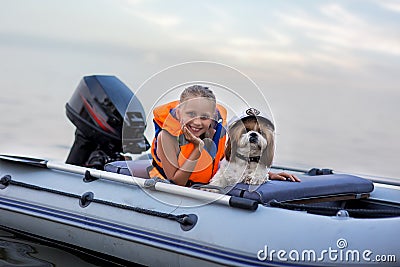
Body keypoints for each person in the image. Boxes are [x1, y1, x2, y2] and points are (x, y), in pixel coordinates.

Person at [148, 85, 298, 187]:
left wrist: (267, 174)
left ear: (213, 116)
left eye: (204, 117)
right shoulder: (167, 137)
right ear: (179, 112)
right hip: (178, 192)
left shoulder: (215, 133)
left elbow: (225, 165)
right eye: (191, 114)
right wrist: (198, 148)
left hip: (208, 188)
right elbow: (177, 182)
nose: (197, 122)